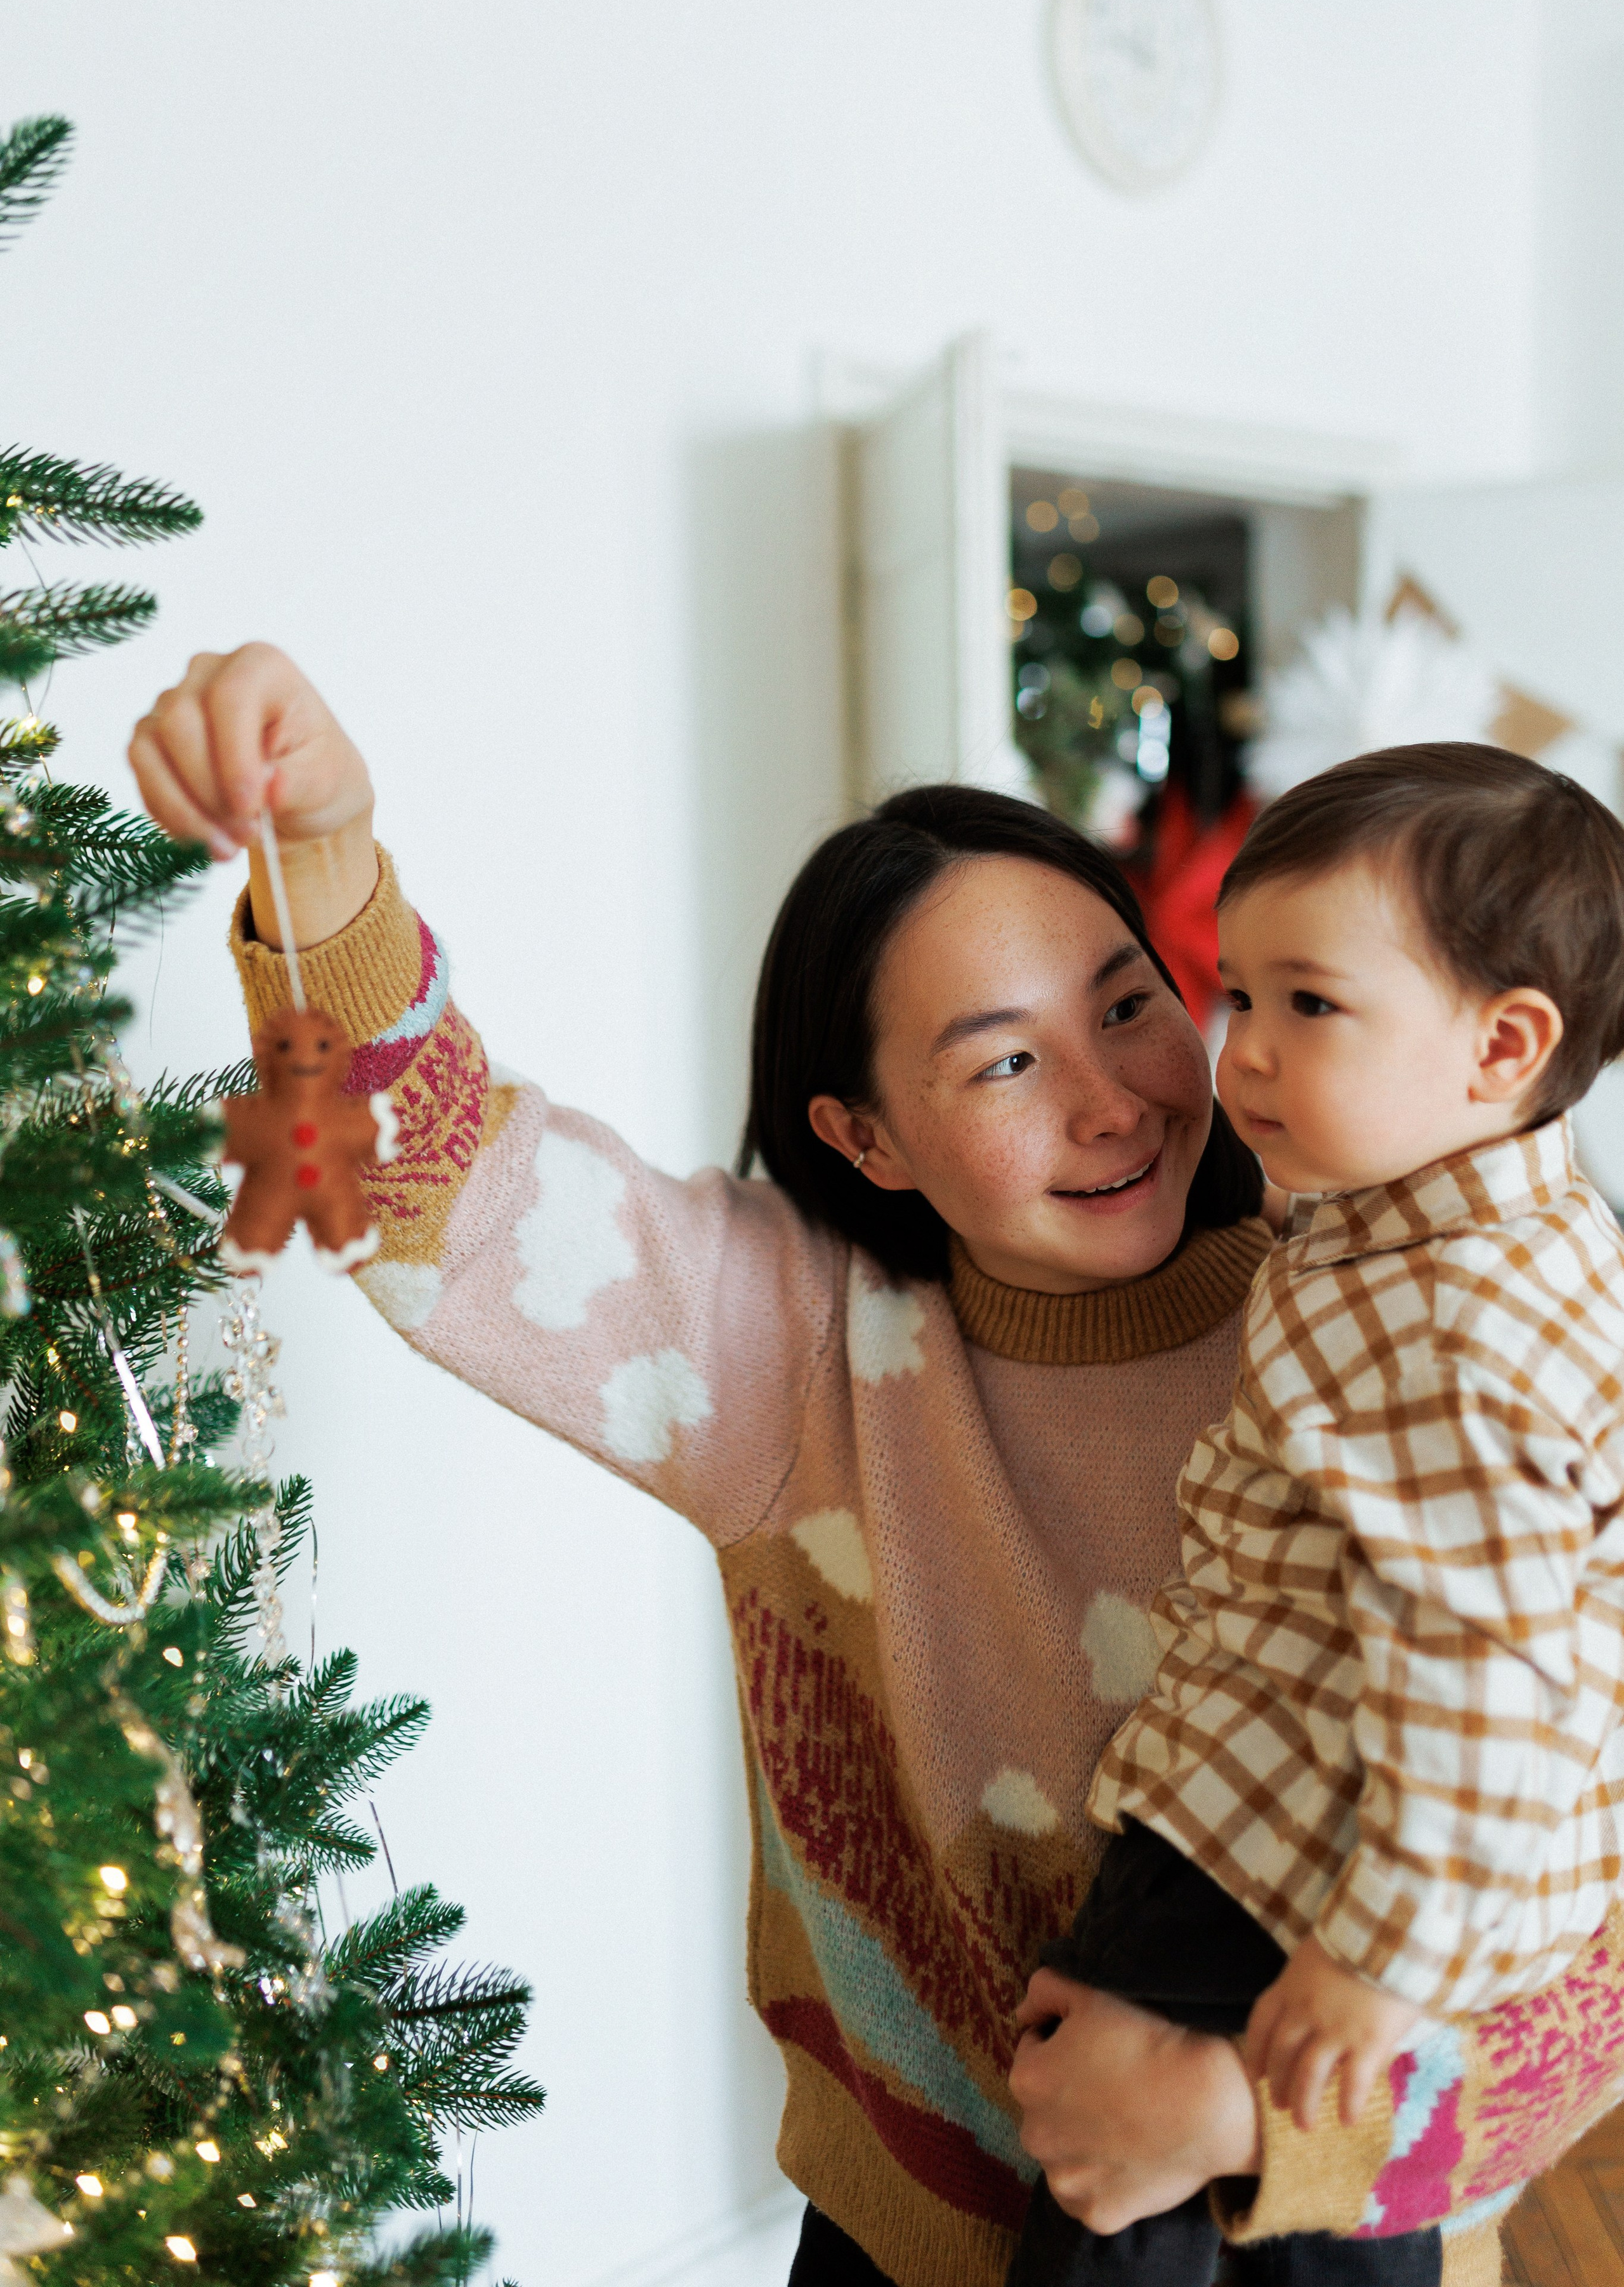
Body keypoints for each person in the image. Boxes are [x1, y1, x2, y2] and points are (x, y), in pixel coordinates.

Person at [128, 650, 1624, 2287]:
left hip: (1352, 2219)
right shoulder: (802, 1356)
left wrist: (1243, 2123)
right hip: (926, 2240)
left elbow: (1573, 1862)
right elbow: (443, 1193)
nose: (1114, 1098)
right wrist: (326, 850)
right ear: (865, 1140)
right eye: (1000, 1063)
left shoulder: (1412, 1335)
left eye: (1127, 1006)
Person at [1012, 744, 1624, 2287]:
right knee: (1319, 2238)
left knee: (1110, 2205)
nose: (1245, 1060)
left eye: (1309, 1005)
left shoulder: (1452, 1326)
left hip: (1275, 1867)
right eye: (1234, 998)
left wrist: (1376, 1957)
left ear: (1500, 1047)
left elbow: (1486, 1669)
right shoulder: (1462, 1226)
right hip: (1333, 1860)